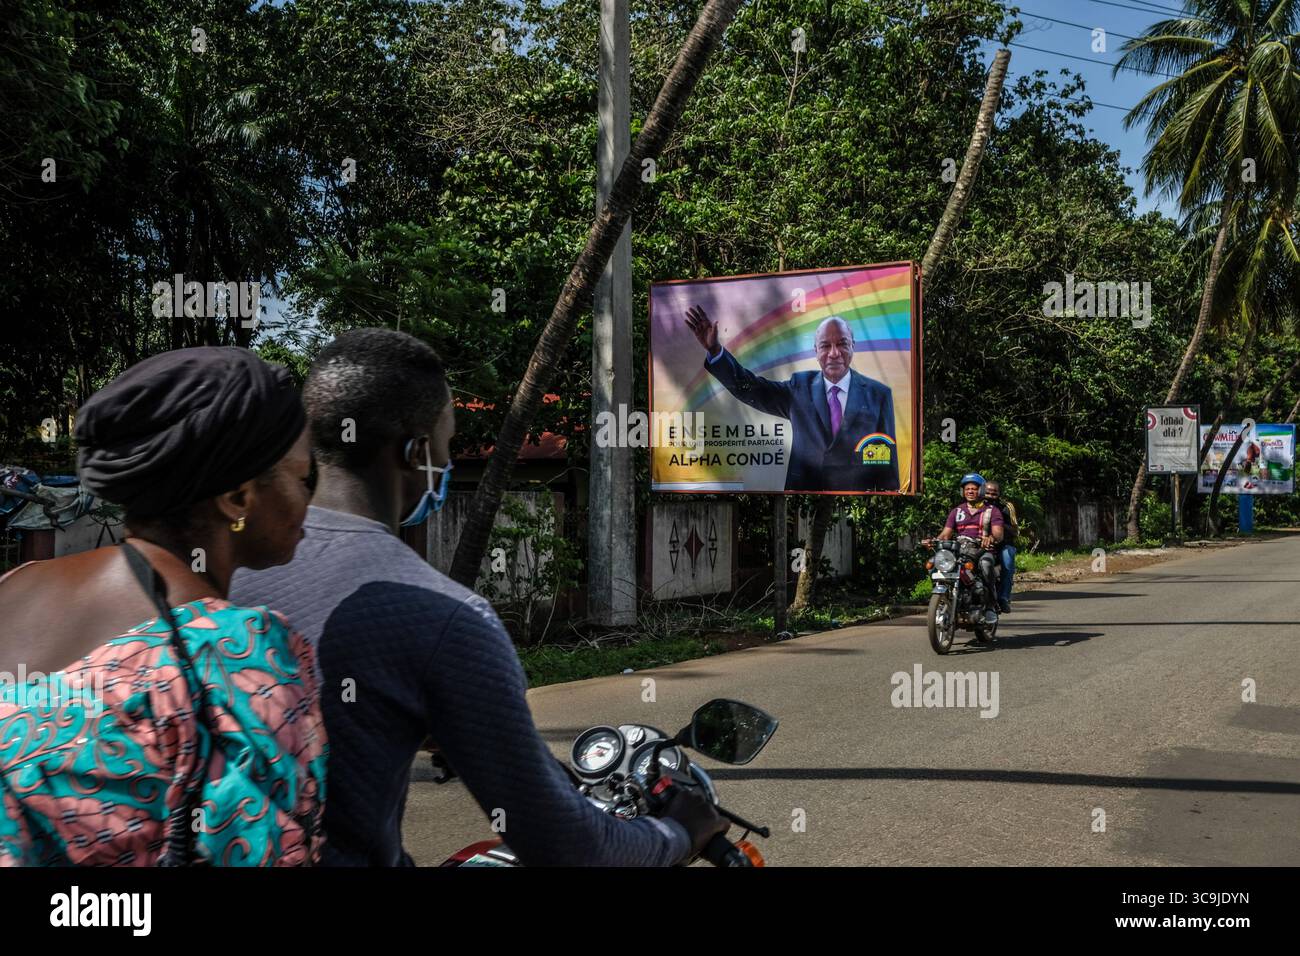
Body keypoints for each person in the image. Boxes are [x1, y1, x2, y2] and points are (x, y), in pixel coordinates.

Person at [230, 328, 726, 866]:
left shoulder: (230, 571)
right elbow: (564, 845)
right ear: (417, 452)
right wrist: (678, 835)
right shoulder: (445, 617)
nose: (446, 463)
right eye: (447, 443)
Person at [0, 347, 326, 866]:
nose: (311, 500)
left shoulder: (13, 586)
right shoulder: (237, 656)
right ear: (238, 499)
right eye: (304, 478)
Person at [684, 306, 899, 491]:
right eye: (825, 346)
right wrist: (715, 350)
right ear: (816, 351)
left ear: (853, 345)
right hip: (803, 501)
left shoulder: (878, 395)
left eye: (842, 343)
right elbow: (749, 388)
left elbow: (886, 466)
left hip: (855, 507)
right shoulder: (800, 388)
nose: (834, 353)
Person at [934, 473, 1003, 618]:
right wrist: (933, 540)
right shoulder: (957, 511)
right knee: (934, 563)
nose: (970, 491)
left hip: (983, 550)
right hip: (960, 550)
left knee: (986, 565)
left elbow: (998, 534)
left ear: (982, 491)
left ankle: (991, 604)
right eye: (967, 489)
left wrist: (990, 538)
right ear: (962, 491)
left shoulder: (992, 511)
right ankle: (945, 597)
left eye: (974, 489)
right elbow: (946, 533)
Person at [983, 481, 1019, 613]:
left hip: (1004, 544)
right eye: (987, 493)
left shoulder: (1006, 507)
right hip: (979, 543)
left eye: (994, 493)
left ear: (999, 494)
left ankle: (1003, 597)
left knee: (1008, 562)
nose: (990, 496)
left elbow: (1015, 531)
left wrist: (998, 524)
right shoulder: (976, 505)